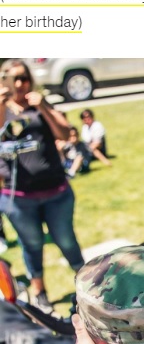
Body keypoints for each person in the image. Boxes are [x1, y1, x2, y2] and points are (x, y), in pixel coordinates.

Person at [0, 59, 85, 314]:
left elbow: (66, 133)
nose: (19, 84)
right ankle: (39, 291)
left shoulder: (40, 105)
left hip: (56, 192)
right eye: (13, 78)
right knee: (32, 243)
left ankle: (87, 283)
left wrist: (44, 106)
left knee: (66, 239)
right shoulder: (2, 107)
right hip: (19, 197)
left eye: (23, 78)